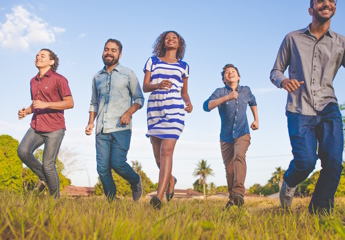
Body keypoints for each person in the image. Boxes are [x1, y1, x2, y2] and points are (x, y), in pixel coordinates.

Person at [270, 0, 344, 214]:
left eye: (332, 1)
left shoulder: (341, 43)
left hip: (328, 106)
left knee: (333, 163)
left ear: (335, 9)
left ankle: (320, 212)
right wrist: (284, 81)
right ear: (311, 9)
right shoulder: (292, 38)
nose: (327, 3)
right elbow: (275, 71)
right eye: (321, 0)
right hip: (299, 108)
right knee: (305, 161)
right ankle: (289, 182)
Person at [85, 39, 145, 202]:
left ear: (120, 54)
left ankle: (135, 180)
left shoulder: (128, 74)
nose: (109, 53)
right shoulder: (97, 77)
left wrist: (129, 112)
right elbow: (94, 103)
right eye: (106, 49)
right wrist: (91, 122)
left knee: (118, 163)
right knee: (102, 168)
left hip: (121, 128)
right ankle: (113, 201)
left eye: (113, 50)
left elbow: (139, 98)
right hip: (101, 129)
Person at [143, 31, 193, 209]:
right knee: (158, 158)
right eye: (167, 38)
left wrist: (188, 103)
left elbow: (184, 91)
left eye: (175, 38)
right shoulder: (153, 61)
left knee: (166, 152)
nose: (171, 40)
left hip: (174, 111)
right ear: (163, 42)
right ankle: (171, 179)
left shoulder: (184, 66)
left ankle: (159, 197)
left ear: (179, 44)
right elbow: (145, 86)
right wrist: (158, 85)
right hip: (154, 110)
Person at [17, 49, 74, 198]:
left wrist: (46, 105)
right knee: (23, 151)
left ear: (51, 61)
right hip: (36, 126)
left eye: (42, 56)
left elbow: (69, 103)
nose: (38, 57)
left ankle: (54, 200)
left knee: (48, 165)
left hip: (55, 128)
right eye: (37, 56)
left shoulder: (59, 79)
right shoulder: (33, 81)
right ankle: (43, 177)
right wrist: (26, 112)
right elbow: (36, 103)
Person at [203, 64, 259, 208]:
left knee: (239, 155)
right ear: (224, 79)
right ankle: (233, 199)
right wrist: (227, 97)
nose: (230, 73)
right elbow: (206, 106)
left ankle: (239, 192)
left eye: (233, 71)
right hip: (226, 136)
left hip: (243, 133)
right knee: (229, 170)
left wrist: (256, 119)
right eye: (227, 72)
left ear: (238, 76)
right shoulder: (220, 92)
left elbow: (253, 102)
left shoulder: (246, 90)